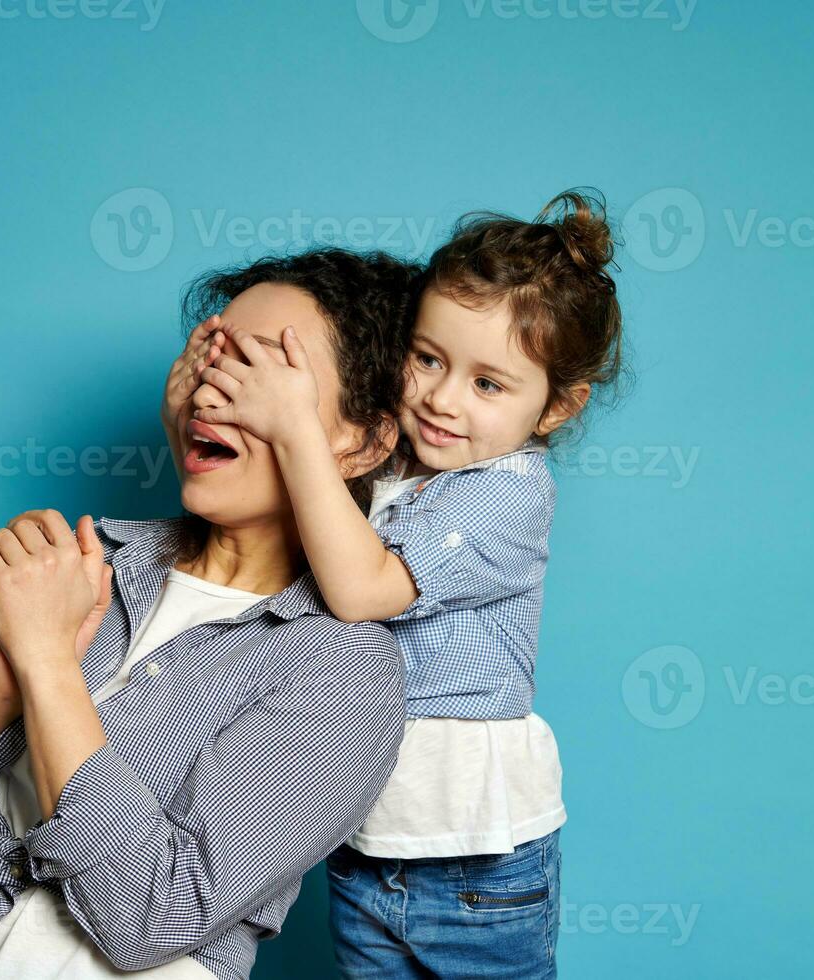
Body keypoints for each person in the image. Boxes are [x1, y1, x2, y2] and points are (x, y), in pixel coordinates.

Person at [0, 249, 420, 980]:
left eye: (262, 372)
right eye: (211, 358)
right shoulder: (94, 561)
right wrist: (1, 686)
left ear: (363, 440)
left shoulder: (344, 666)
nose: (214, 392)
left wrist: (46, 664)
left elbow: (152, 915)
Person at [189, 190, 627, 978]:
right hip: (367, 841)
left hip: (474, 858)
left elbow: (359, 590)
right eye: (427, 358)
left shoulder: (510, 492)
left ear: (556, 406)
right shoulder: (391, 465)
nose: (440, 398)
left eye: (488, 384)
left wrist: (295, 428)